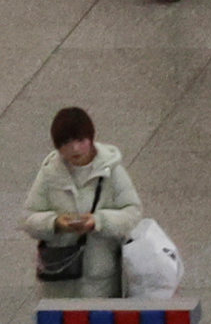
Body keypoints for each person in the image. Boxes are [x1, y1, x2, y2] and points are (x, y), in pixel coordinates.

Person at [19, 107, 143, 295]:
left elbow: (132, 213)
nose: (75, 149)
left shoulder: (112, 170)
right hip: (59, 280)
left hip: (101, 280)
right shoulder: (49, 173)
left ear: (91, 138)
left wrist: (98, 221)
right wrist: (55, 223)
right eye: (66, 143)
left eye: (80, 140)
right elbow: (28, 218)